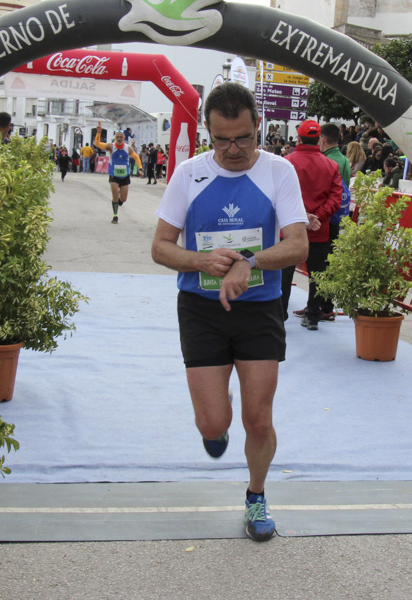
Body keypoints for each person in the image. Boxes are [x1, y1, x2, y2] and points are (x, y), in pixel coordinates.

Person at [150, 82, 309, 542]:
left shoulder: (279, 172)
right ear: (208, 133)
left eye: (244, 137)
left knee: (259, 418)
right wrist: (200, 261)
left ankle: (256, 497)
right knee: (214, 425)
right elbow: (160, 247)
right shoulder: (188, 174)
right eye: (222, 140)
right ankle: (215, 420)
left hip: (258, 309)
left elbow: (297, 244)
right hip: (201, 308)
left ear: (259, 127)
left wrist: (251, 263)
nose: (234, 149)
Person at [282, 119, 342, 330]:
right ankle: (313, 316)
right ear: (319, 140)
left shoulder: (287, 162)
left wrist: (301, 217)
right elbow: (336, 198)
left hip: (290, 228)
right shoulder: (331, 165)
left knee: (285, 272)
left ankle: (279, 316)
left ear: (298, 137)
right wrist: (316, 217)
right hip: (319, 228)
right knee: (318, 273)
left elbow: (280, 196)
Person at [94, 123, 143, 224]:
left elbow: (136, 157)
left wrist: (140, 168)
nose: (119, 139)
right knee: (115, 194)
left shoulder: (128, 148)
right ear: (115, 138)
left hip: (125, 175)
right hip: (114, 174)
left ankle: (119, 202)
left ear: (124, 137)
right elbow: (98, 144)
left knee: (123, 199)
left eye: (121, 137)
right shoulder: (110, 147)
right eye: (117, 137)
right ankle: (115, 216)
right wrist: (98, 133)